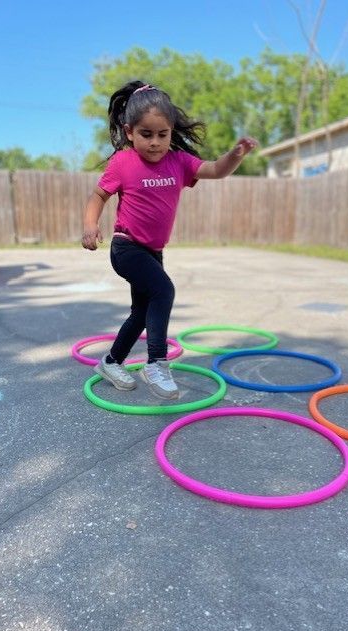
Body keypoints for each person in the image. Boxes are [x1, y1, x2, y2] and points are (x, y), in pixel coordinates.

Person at [82, 79, 258, 400]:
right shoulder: (123, 162)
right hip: (126, 247)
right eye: (146, 134)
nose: (155, 142)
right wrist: (90, 225)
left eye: (162, 134)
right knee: (164, 290)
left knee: (141, 313)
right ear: (129, 131)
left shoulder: (178, 162)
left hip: (153, 251)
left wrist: (237, 154)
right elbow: (98, 195)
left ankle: (110, 362)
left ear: (171, 132)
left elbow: (217, 170)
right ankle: (156, 362)